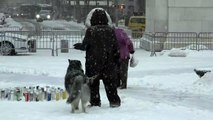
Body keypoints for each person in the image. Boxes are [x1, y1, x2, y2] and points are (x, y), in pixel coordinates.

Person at [73, 8, 121, 108]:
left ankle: (95, 101)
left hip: (93, 63)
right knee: (110, 84)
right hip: (109, 63)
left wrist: (79, 46)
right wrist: (116, 60)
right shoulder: (110, 31)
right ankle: (114, 101)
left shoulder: (91, 31)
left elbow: (86, 45)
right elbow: (115, 47)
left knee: (93, 84)